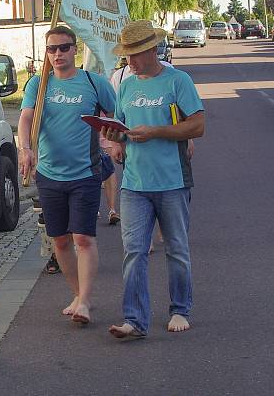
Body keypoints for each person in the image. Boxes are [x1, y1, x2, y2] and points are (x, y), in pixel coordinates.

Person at [102, 20, 205, 340]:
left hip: (173, 181)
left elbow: (198, 126)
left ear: (151, 50)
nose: (128, 61)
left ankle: (180, 309)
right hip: (134, 182)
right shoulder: (128, 86)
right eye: (126, 55)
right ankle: (134, 320)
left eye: (133, 55)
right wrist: (115, 139)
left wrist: (156, 132)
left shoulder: (178, 81)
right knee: (134, 251)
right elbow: (122, 124)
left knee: (176, 248)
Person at [18, 25, 116, 325]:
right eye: (51, 49)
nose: (57, 54)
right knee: (60, 241)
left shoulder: (93, 82)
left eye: (63, 48)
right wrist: (25, 149)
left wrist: (114, 140)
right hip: (49, 174)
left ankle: (85, 301)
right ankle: (77, 294)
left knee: (83, 238)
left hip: (85, 172)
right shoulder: (39, 84)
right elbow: (26, 118)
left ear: (75, 49)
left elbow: (114, 117)